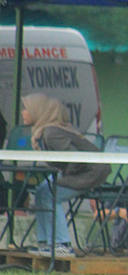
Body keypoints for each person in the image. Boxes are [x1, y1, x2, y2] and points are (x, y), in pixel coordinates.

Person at [21, 93, 110, 257]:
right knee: (42, 191)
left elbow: (76, 160)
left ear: (38, 111)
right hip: (79, 171)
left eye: (26, 109)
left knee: (50, 194)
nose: (23, 113)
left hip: (90, 173)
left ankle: (61, 244)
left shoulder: (52, 133)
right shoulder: (48, 130)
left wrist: (66, 177)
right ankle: (45, 243)